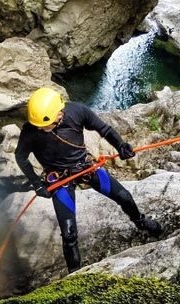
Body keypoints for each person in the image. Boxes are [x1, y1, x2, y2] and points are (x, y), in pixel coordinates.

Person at [14, 86, 163, 273]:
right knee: (69, 235)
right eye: (39, 126)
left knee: (124, 196)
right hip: (59, 178)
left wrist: (121, 146)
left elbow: (104, 129)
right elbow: (20, 157)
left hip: (85, 166)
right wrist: (36, 183)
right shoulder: (30, 131)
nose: (41, 129)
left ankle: (140, 221)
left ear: (59, 113)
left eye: (46, 125)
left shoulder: (77, 111)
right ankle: (74, 275)